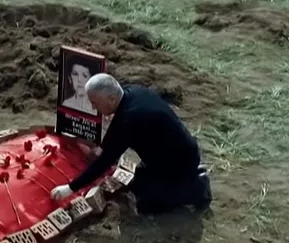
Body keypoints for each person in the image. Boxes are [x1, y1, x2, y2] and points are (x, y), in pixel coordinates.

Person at [51, 74, 211, 215]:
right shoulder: (131, 92)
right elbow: (117, 122)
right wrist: (103, 146)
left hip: (180, 161)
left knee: (147, 206)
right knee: (138, 182)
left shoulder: (131, 120)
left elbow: (105, 162)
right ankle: (182, 179)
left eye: (95, 103)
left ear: (111, 99)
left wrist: (70, 188)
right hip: (170, 152)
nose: (93, 107)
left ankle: (197, 188)